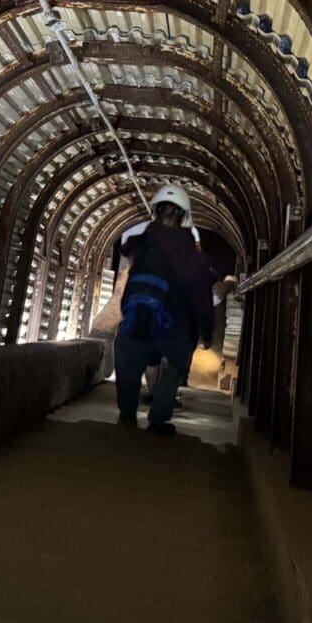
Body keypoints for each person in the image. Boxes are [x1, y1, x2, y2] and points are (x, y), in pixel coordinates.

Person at [113, 183, 219, 435]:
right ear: (186, 217)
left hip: (137, 323)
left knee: (127, 356)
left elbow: (125, 249)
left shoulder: (138, 243)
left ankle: (127, 414)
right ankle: (158, 420)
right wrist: (206, 334)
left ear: (155, 211)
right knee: (176, 366)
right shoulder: (196, 259)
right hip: (174, 331)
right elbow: (202, 302)